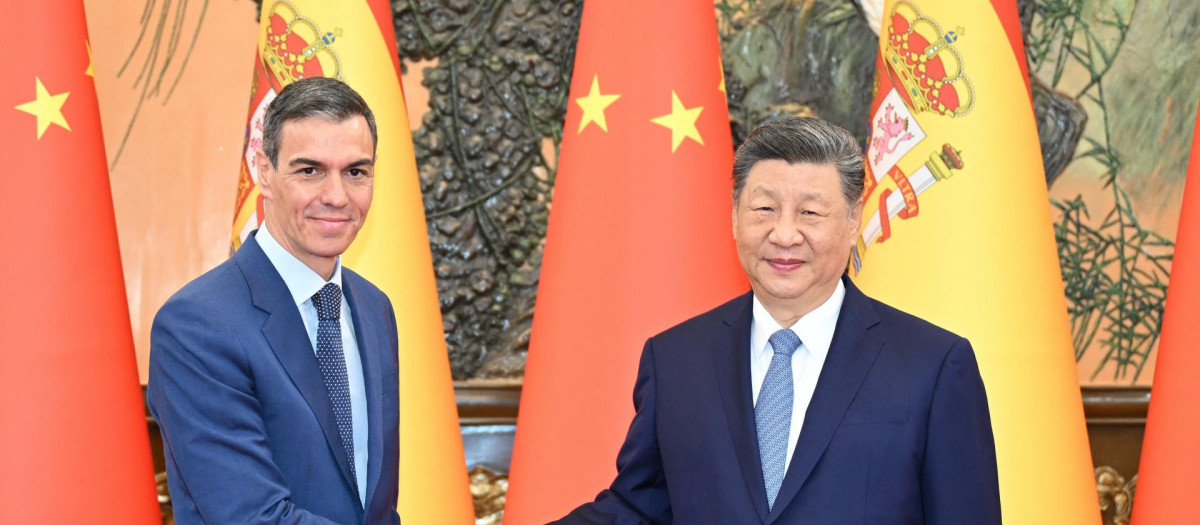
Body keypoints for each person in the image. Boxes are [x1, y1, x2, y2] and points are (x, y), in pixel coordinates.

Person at [558, 117, 1001, 524]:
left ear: (853, 221)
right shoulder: (676, 360)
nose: (785, 234)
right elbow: (639, 508)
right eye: (765, 209)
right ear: (735, 217)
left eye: (810, 213)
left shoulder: (933, 366)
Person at [147, 77, 401, 524]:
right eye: (310, 171)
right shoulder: (196, 325)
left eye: (355, 172)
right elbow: (252, 517)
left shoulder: (373, 308)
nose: (336, 197)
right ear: (264, 171)